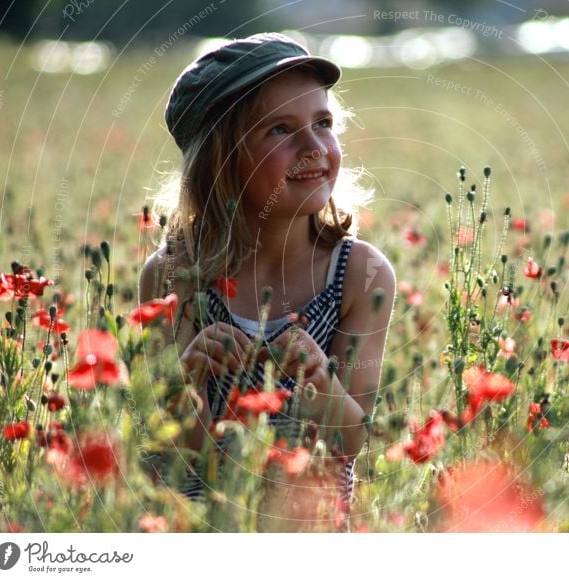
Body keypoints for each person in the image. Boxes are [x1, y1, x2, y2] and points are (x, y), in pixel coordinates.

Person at [138, 32, 395, 531]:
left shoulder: (359, 276)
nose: (314, 147)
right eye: (280, 129)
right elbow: (165, 450)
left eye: (323, 123)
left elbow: (353, 437)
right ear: (219, 162)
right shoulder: (175, 278)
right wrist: (186, 384)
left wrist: (320, 380)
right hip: (201, 526)